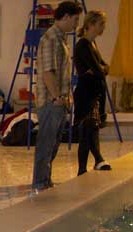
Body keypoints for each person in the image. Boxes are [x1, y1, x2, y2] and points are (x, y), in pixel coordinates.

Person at [31, 1, 83, 192]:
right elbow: (48, 72)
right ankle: (40, 182)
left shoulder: (61, 39)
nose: (76, 24)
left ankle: (45, 180)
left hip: (59, 100)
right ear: (66, 16)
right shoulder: (50, 39)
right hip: (51, 101)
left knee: (53, 144)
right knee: (46, 143)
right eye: (75, 20)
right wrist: (56, 97)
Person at [74, 10, 113, 176]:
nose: (103, 27)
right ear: (90, 24)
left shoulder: (92, 44)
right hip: (86, 94)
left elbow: (105, 67)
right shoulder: (83, 45)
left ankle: (88, 166)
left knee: (90, 130)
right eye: (100, 24)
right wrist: (99, 70)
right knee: (88, 129)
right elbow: (99, 70)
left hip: (93, 92)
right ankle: (96, 160)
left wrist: (99, 70)